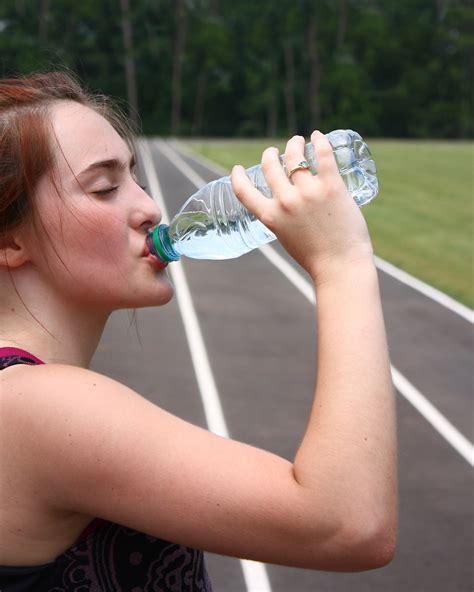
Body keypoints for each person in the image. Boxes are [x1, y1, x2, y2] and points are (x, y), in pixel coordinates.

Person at [0, 71, 398, 591]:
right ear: (9, 243)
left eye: (135, 177)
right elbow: (347, 524)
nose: (148, 207)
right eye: (104, 188)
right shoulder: (37, 407)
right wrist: (343, 261)